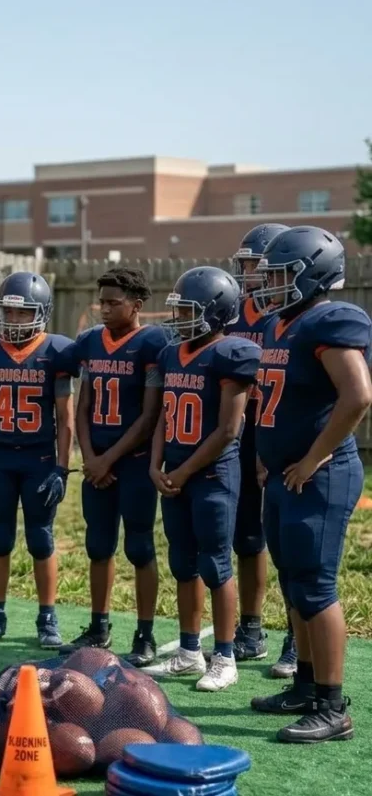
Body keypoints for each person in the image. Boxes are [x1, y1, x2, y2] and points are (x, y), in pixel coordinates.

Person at [248, 226, 371, 743]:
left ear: (313, 274)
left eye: (280, 275)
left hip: (319, 474)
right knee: (293, 581)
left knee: (316, 587)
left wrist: (313, 458)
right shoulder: (282, 324)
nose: (268, 285)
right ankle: (303, 685)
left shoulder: (333, 319)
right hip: (283, 473)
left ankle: (332, 703)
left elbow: (358, 396)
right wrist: (265, 458)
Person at [143, 266, 260, 692]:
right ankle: (190, 651)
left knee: (215, 563)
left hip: (212, 473)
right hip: (174, 471)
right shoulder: (173, 353)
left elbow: (229, 429)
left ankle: (225, 656)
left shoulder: (233, 352)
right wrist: (156, 465)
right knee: (182, 563)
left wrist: (182, 470)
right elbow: (163, 417)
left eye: (188, 310)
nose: (179, 319)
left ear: (216, 312)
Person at [58, 267, 166, 665]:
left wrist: (107, 459)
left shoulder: (152, 343)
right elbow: (83, 405)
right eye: (101, 301)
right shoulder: (91, 342)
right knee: (98, 546)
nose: (103, 308)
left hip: (133, 463)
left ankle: (145, 633)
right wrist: (89, 458)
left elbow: (150, 415)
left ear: (137, 305)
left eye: (113, 302)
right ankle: (98, 626)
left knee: (139, 547)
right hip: (97, 463)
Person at [0, 272, 76, 650]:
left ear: (41, 314)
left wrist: (62, 468)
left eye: (22, 314)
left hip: (39, 458)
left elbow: (66, 419)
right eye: (7, 313)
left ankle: (48, 617)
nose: (13, 322)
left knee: (41, 539)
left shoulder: (55, 352)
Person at [224, 223, 296, 675]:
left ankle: (296, 633)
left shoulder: (294, 317)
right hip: (240, 431)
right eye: (246, 264)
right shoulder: (232, 311)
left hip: (284, 431)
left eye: (254, 263)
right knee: (247, 536)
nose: (248, 272)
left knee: (291, 542)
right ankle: (251, 627)